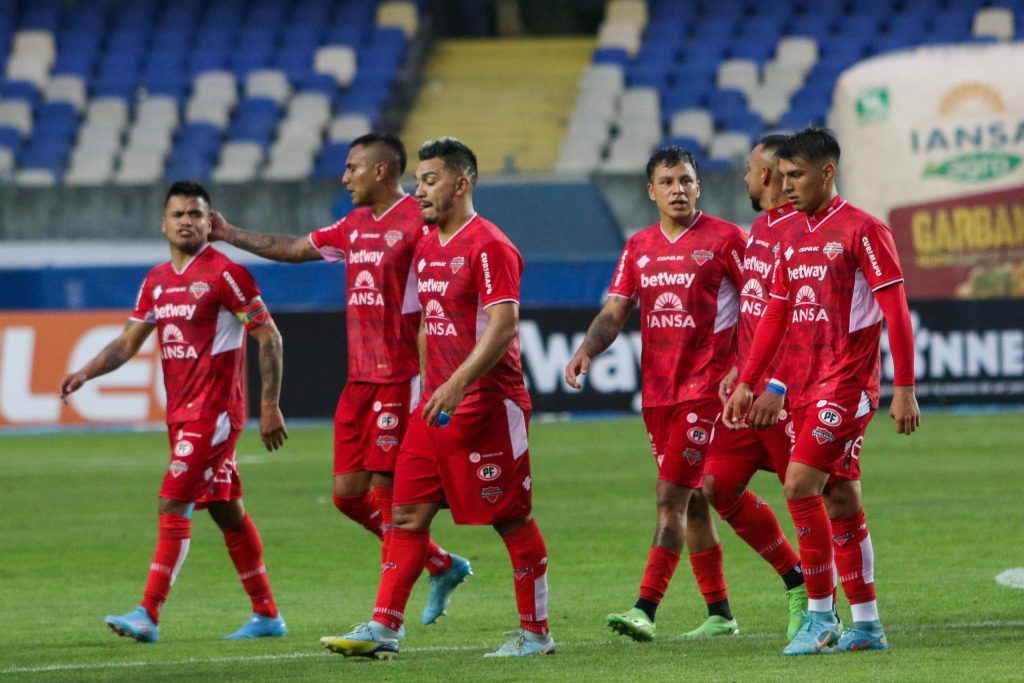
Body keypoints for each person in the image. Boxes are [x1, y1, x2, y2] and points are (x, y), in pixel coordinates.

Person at [209, 133, 470, 626]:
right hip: (359, 382)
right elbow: (292, 246)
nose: (344, 176)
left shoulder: (420, 221)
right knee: (349, 496)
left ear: (380, 172)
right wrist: (228, 233)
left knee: (395, 505)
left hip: (402, 379)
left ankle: (383, 620)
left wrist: (438, 376)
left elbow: (440, 296)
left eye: (352, 167)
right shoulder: (352, 225)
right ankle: (441, 563)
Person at [320, 137, 555, 659]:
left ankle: (536, 634)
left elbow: (504, 326)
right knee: (404, 515)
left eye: (430, 181)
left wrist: (456, 383)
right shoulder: (426, 243)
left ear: (461, 183)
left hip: (490, 406)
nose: (419, 191)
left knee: (510, 518)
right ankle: (384, 627)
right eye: (420, 180)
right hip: (437, 408)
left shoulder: (490, 244)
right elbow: (427, 322)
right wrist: (431, 384)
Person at [60, 181, 289, 643]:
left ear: (210, 222)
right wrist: (85, 372)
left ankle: (149, 612)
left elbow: (270, 336)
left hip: (215, 411)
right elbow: (128, 342)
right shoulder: (156, 280)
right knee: (226, 510)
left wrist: (269, 405)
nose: (187, 220)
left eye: (196, 214)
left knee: (173, 501)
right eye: (179, 213)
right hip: (182, 413)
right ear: (163, 223)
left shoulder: (227, 275)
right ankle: (267, 614)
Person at [723, 127, 920, 656]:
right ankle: (867, 622)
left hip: (847, 383)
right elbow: (775, 315)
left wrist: (904, 387)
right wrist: (749, 382)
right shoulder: (791, 236)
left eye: (797, 175)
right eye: (781, 175)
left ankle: (819, 615)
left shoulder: (863, 230)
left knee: (799, 486)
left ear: (827, 173)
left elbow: (895, 311)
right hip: (803, 386)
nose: (786, 185)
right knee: (839, 495)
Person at [565, 146, 748, 642]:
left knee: (670, 496)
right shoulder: (639, 246)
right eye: (667, 182)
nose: (678, 189)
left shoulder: (727, 239)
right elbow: (616, 310)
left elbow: (759, 307)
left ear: (698, 186)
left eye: (686, 180)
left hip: (706, 391)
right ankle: (722, 614)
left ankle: (645, 607)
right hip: (659, 395)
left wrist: (742, 370)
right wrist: (586, 350)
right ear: (651, 191)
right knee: (693, 504)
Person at [704, 135, 809, 640]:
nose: (745, 178)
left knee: (813, 497)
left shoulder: (800, 231)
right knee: (717, 485)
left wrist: (777, 385)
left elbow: (805, 320)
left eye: (749, 170)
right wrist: (740, 371)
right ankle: (796, 578)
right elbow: (758, 311)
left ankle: (824, 608)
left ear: (767, 175)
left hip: (785, 394)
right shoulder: (761, 227)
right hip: (749, 386)